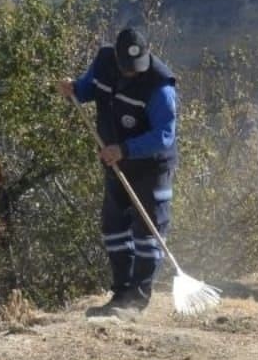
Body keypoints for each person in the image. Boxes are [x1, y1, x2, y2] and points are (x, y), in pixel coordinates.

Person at [59, 27, 178, 319]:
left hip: (151, 167)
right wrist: (73, 88)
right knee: (114, 229)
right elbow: (88, 88)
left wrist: (125, 149)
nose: (131, 73)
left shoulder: (160, 86)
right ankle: (121, 293)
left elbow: (164, 134)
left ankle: (137, 300)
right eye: (126, 68)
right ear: (116, 57)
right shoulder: (104, 62)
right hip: (116, 164)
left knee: (147, 233)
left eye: (136, 68)